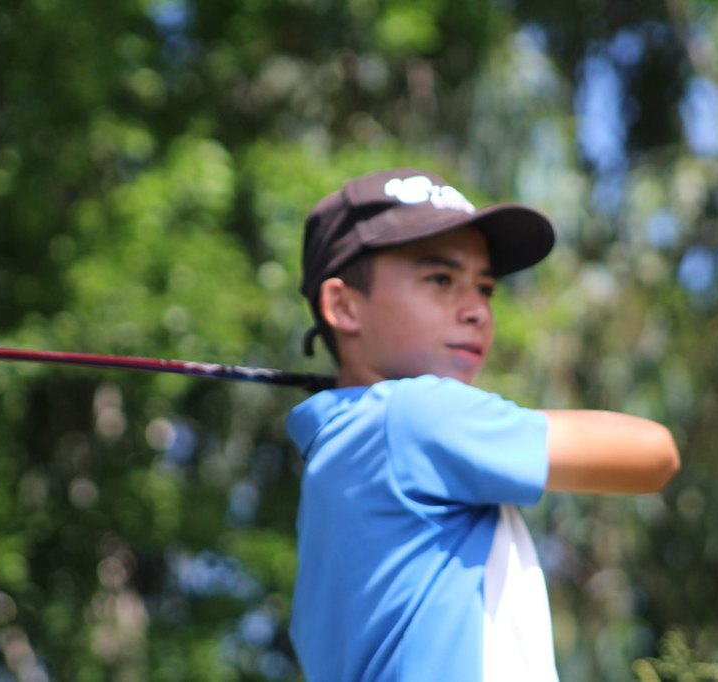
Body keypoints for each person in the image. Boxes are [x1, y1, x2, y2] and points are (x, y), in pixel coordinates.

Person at [285, 168, 681, 681]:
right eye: (440, 280)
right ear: (343, 306)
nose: (477, 311)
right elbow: (655, 453)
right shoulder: (417, 416)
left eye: (486, 288)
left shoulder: (338, 446)